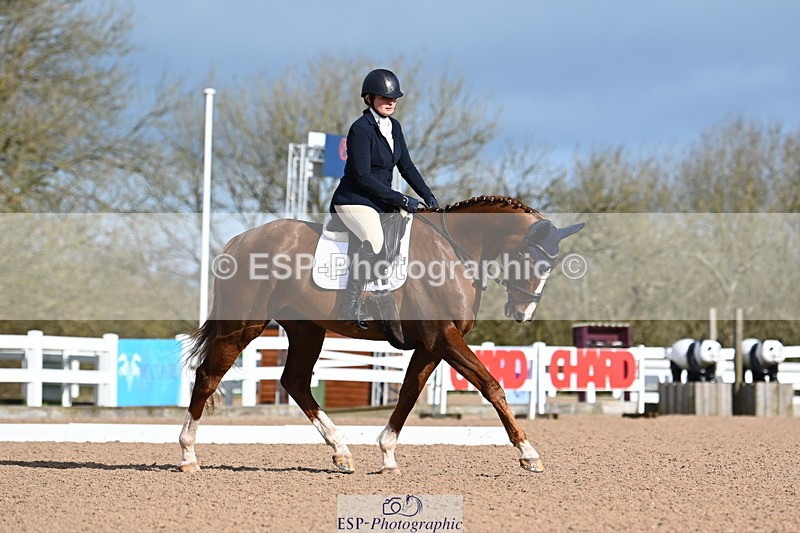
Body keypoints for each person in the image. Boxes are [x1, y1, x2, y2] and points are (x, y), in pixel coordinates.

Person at [330, 68, 439, 327]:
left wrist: (428, 197)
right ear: (370, 98)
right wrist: (402, 200)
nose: (390, 102)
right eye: (384, 98)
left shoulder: (394, 127)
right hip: (354, 200)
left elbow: (407, 167)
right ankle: (349, 306)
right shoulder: (361, 129)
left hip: (380, 201)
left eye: (394, 98)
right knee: (375, 240)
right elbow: (363, 177)